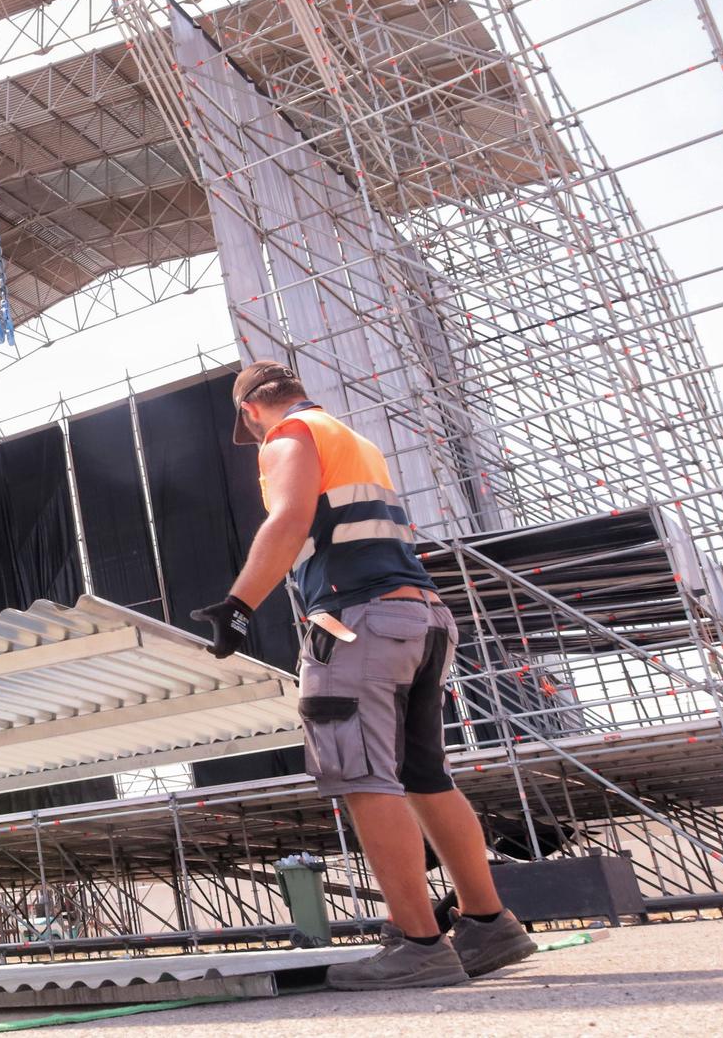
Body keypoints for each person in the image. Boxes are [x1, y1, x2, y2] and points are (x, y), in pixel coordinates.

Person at [190, 360, 538, 991]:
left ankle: (419, 943)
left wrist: (238, 606)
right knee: (426, 776)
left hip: (360, 621)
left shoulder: (288, 437)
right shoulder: (355, 441)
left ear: (251, 412)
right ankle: (488, 924)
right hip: (422, 617)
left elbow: (290, 518)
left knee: (362, 775)